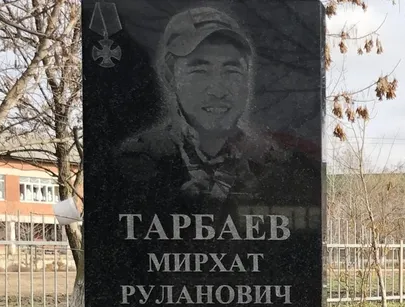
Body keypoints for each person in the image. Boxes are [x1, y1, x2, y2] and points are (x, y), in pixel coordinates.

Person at [116, 7, 315, 208]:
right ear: (170, 75)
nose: (218, 91)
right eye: (200, 71)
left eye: (232, 71)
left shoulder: (278, 165)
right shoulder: (133, 162)